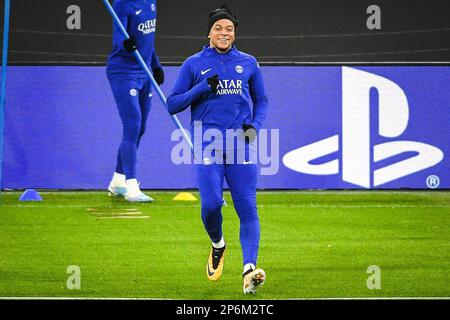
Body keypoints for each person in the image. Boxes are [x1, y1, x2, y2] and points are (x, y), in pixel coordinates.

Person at [167, 5, 269, 294]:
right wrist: (200, 88)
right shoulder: (193, 64)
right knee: (211, 205)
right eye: (218, 28)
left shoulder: (249, 63)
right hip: (207, 145)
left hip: (240, 146)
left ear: (234, 33)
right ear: (209, 32)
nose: (224, 33)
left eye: (229, 29)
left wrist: (255, 127)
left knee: (247, 207)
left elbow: (261, 100)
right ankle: (218, 245)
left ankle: (249, 270)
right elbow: (172, 104)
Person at [106, 0, 164, 202]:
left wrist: (155, 65)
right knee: (132, 125)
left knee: (141, 128)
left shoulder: (151, 2)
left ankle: (117, 181)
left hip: (145, 71)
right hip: (124, 71)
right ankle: (132, 186)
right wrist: (125, 44)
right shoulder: (122, 3)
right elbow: (119, 36)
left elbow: (147, 39)